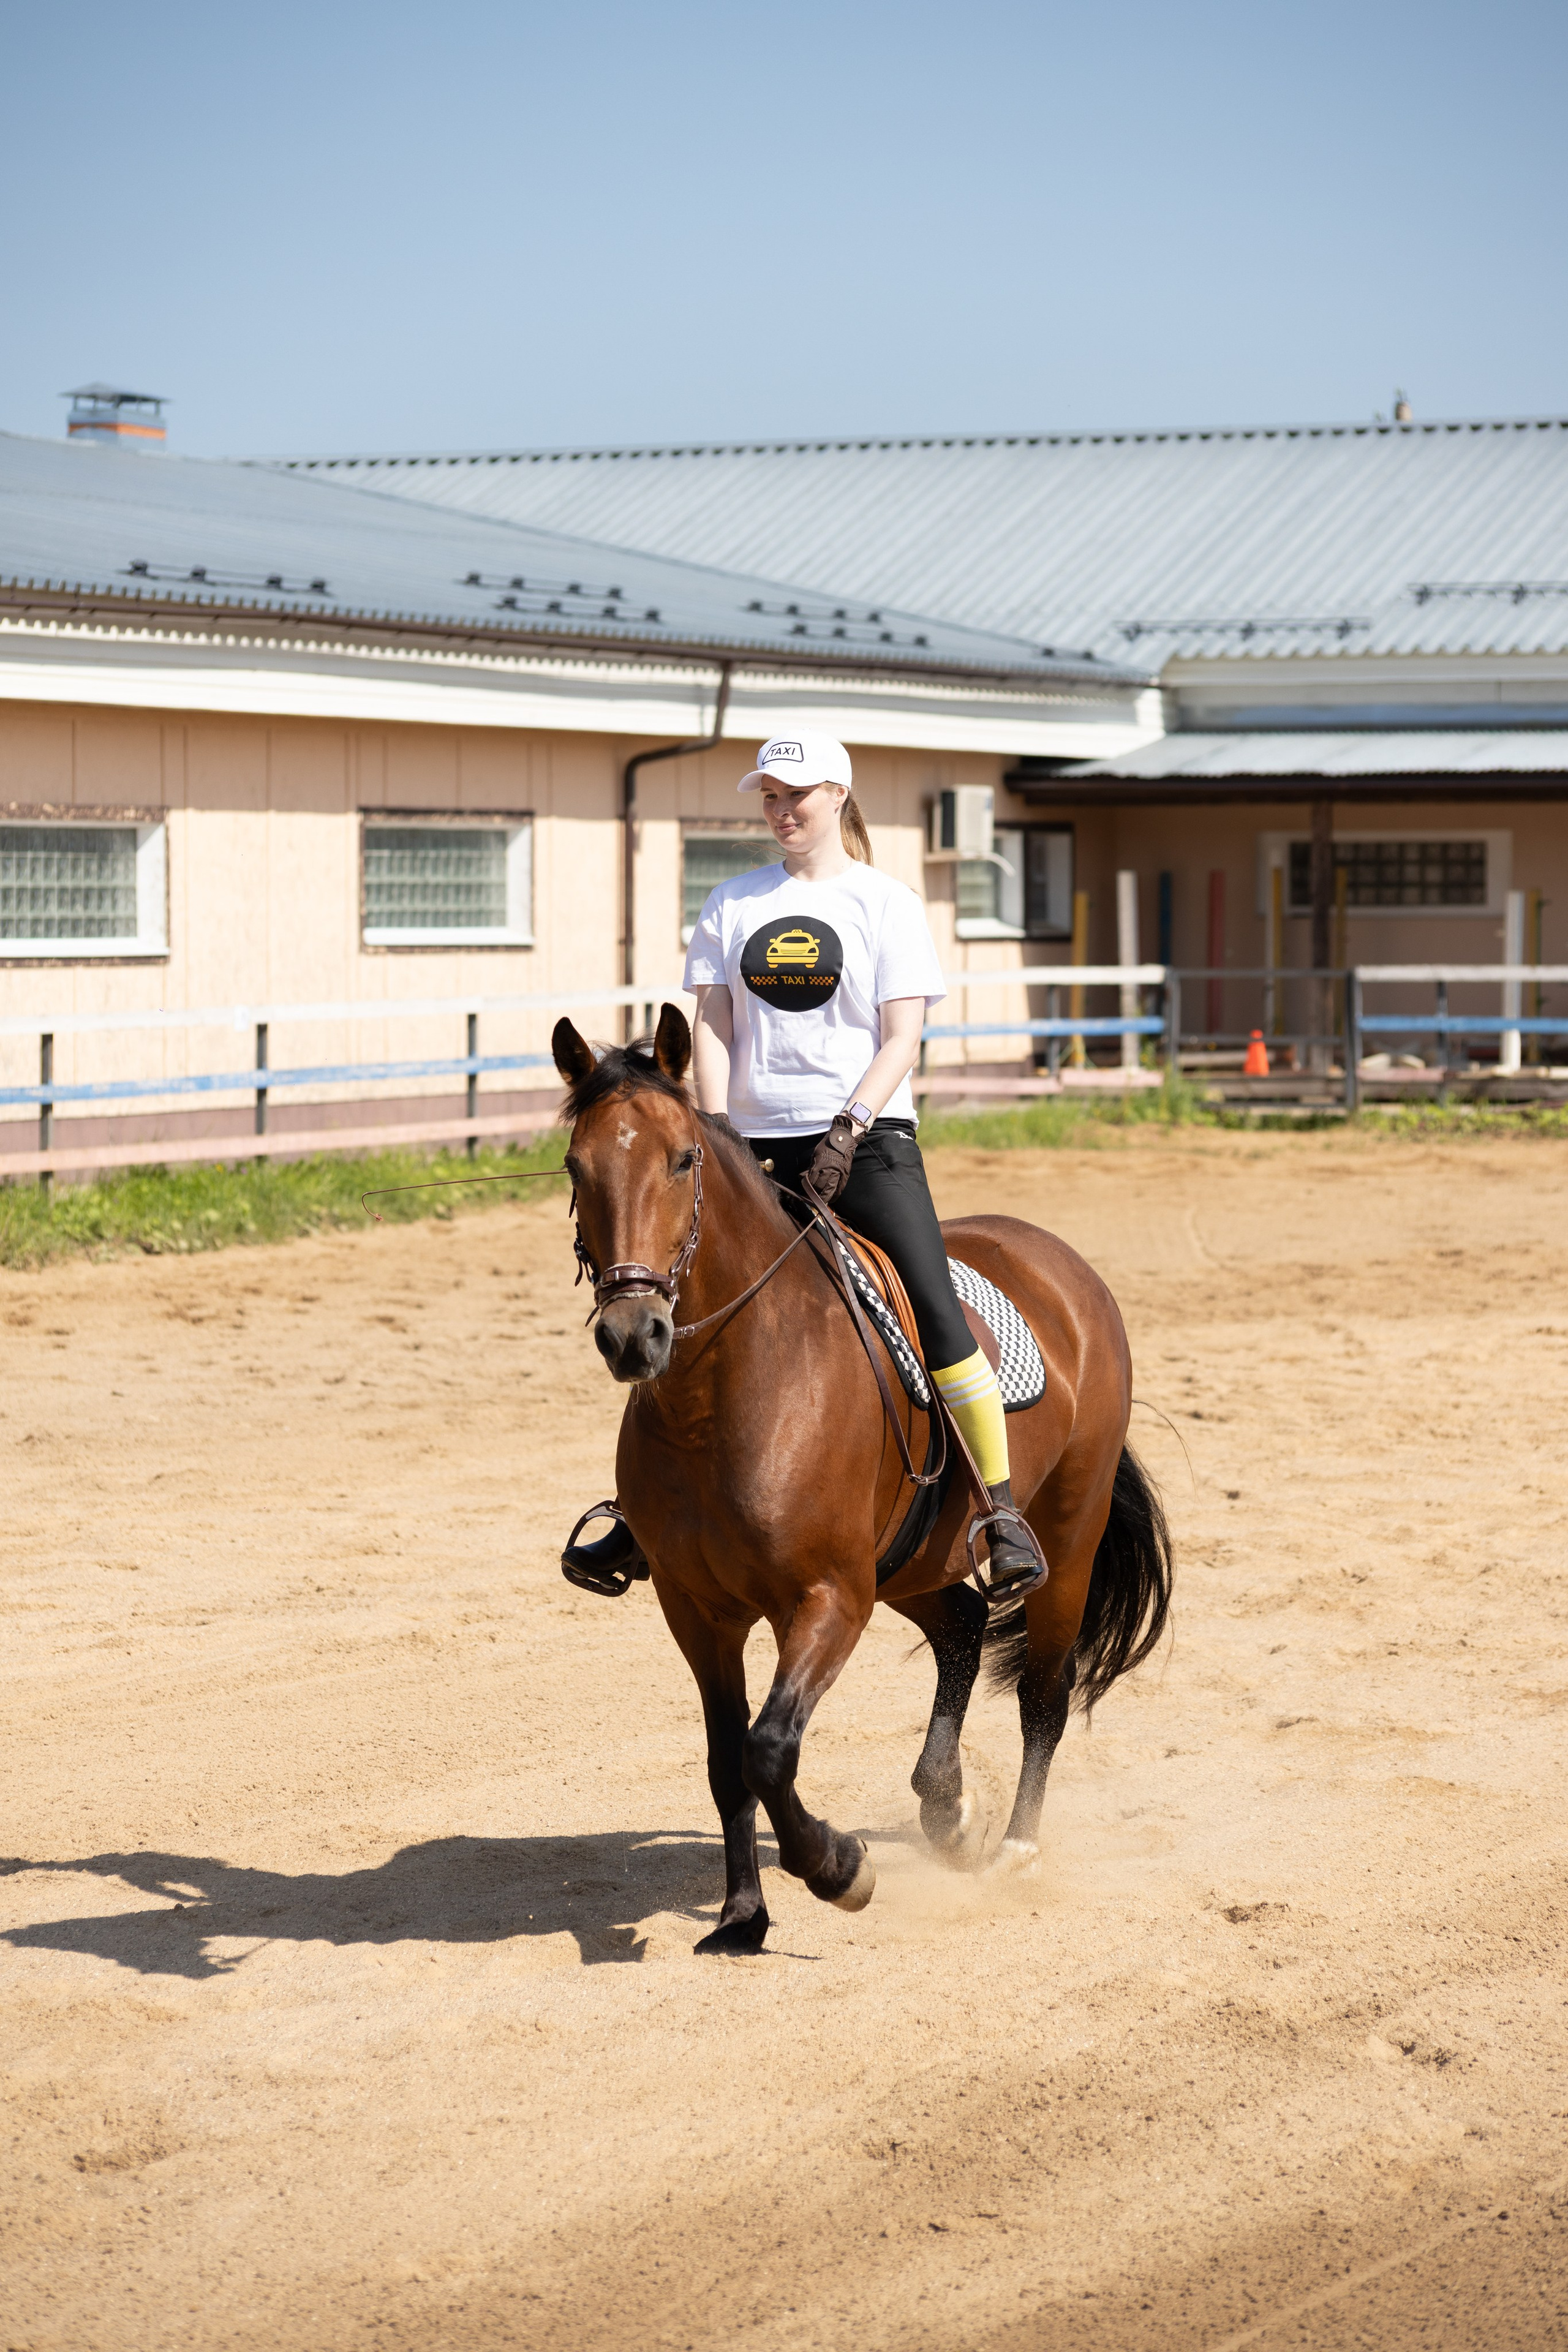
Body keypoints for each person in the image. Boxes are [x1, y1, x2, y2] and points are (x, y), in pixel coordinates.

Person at [562, 729, 1040, 1600]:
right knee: (682, 1312)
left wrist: (849, 1129)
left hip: (867, 1142)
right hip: (749, 1152)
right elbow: (710, 1025)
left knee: (935, 1310)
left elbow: (903, 1037)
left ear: (837, 798)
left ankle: (998, 1509)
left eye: (799, 797)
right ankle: (643, 1513)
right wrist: (714, 1130)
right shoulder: (731, 903)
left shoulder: (885, 904)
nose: (783, 812)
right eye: (771, 798)